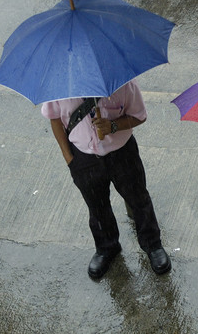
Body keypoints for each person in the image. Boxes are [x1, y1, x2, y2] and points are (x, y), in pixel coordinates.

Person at [41, 80, 171, 279]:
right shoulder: (59, 86)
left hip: (122, 153)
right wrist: (70, 160)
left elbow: (139, 116)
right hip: (84, 158)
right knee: (97, 206)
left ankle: (152, 245)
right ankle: (106, 247)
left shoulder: (123, 84)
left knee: (138, 199)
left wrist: (113, 125)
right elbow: (55, 121)